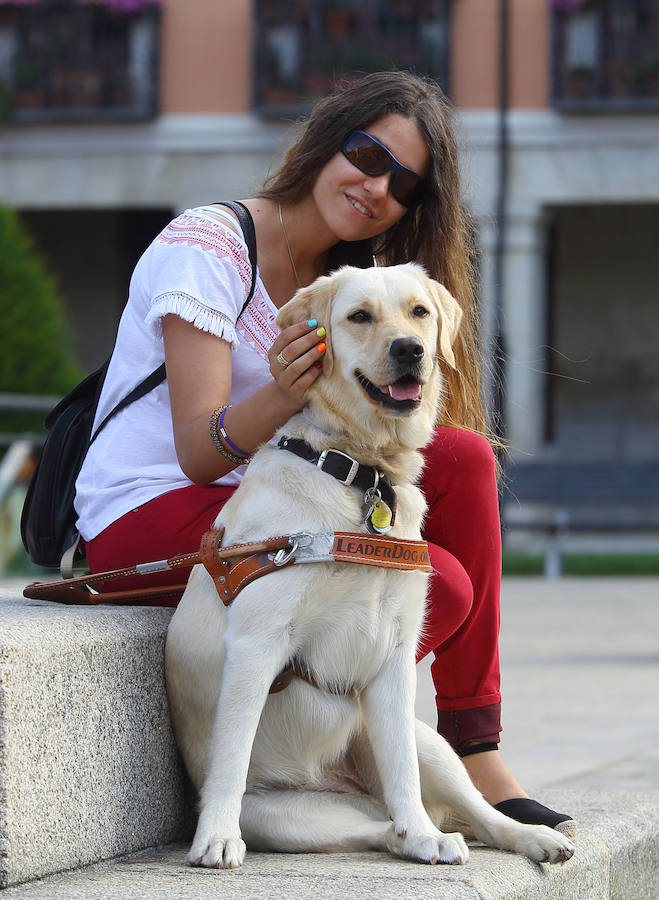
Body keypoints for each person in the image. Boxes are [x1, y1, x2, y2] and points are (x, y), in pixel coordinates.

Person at [74, 71, 573, 834]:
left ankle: (475, 745)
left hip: (295, 497)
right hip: (155, 509)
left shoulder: (349, 284)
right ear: (324, 141)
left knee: (465, 456)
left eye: (404, 184)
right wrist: (284, 387)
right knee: (432, 578)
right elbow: (198, 453)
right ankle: (335, 741)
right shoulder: (208, 246)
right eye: (368, 156)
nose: (377, 188)